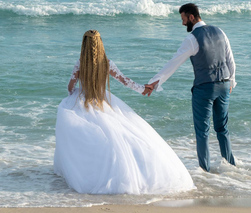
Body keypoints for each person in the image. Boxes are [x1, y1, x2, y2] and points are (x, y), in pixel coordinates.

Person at [53, 30, 195, 194]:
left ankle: (82, 169)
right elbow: (125, 81)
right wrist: (143, 89)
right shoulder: (107, 63)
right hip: (102, 102)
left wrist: (76, 92)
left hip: (83, 101)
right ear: (100, 44)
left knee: (76, 128)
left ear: (84, 45)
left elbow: (70, 88)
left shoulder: (79, 64)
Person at [143, 3, 236, 172]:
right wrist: (232, 81)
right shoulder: (220, 32)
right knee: (222, 128)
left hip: (204, 88)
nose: (183, 23)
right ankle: (231, 166)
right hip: (224, 84)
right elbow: (230, 60)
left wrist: (154, 82)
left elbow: (174, 62)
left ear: (191, 17)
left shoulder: (192, 39)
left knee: (203, 132)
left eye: (184, 19)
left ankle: (205, 171)